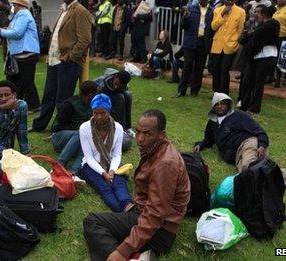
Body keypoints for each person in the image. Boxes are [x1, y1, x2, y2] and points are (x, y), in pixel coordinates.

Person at [83, 109, 190, 261]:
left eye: (147, 134)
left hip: (160, 232)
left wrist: (122, 252)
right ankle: (139, 256)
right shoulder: (158, 149)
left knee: (92, 222)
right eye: (138, 132)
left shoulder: (165, 164)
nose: (139, 139)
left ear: (161, 135)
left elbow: (155, 216)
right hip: (148, 217)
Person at [29, 0, 92, 132]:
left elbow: (85, 39)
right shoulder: (63, 9)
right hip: (54, 60)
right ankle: (39, 125)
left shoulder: (81, 11)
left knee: (62, 99)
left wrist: (71, 57)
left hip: (67, 62)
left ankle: (59, 129)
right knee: (48, 96)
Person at [79, 94, 133, 213]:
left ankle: (128, 205)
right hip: (90, 165)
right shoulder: (85, 128)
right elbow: (88, 157)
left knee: (119, 184)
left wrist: (112, 171)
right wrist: (104, 173)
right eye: (95, 113)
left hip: (111, 163)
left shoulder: (117, 128)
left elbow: (117, 154)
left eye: (102, 113)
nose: (98, 117)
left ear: (109, 111)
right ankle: (121, 211)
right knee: (105, 188)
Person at [194, 92, 269, 173]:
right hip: (236, 156)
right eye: (217, 104)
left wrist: (262, 145)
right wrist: (200, 145)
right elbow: (208, 141)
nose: (219, 106)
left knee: (249, 168)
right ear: (213, 106)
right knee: (246, 174)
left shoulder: (239, 115)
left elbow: (259, 131)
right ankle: (281, 176)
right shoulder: (212, 123)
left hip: (247, 144)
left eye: (222, 104)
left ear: (228, 105)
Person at [0, 0, 41, 113]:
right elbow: (14, 30)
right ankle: (19, 103)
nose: (13, 7)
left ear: (20, 6)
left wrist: (2, 32)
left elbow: (17, 33)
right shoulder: (18, 16)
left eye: (14, 5)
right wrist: (4, 30)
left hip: (27, 54)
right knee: (19, 81)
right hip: (20, 54)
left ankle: (33, 105)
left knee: (27, 81)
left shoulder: (24, 14)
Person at [51, 80, 98, 174]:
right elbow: (58, 127)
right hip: (60, 137)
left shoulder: (94, 105)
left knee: (86, 143)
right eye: (96, 93)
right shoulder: (70, 104)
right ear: (90, 95)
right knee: (80, 134)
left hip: (79, 140)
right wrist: (80, 130)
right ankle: (60, 164)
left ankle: (73, 171)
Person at [239, 5, 279, 113]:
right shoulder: (259, 26)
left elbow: (259, 34)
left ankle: (254, 107)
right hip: (255, 57)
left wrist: (251, 34)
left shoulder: (272, 24)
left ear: (264, 14)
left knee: (258, 83)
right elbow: (245, 40)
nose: (255, 14)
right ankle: (244, 103)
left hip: (266, 57)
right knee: (248, 81)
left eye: (257, 12)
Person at [175, 0, 214, 97]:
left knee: (199, 67)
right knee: (187, 66)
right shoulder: (191, 9)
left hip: (203, 42)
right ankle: (181, 90)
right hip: (190, 41)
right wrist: (185, 18)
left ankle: (194, 91)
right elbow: (183, 26)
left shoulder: (212, 11)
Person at [210, 0, 246, 94]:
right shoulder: (217, 10)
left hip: (230, 45)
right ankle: (216, 92)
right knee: (216, 69)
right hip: (217, 45)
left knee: (225, 70)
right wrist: (222, 14)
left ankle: (224, 94)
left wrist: (235, 41)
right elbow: (213, 27)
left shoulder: (241, 11)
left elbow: (240, 29)